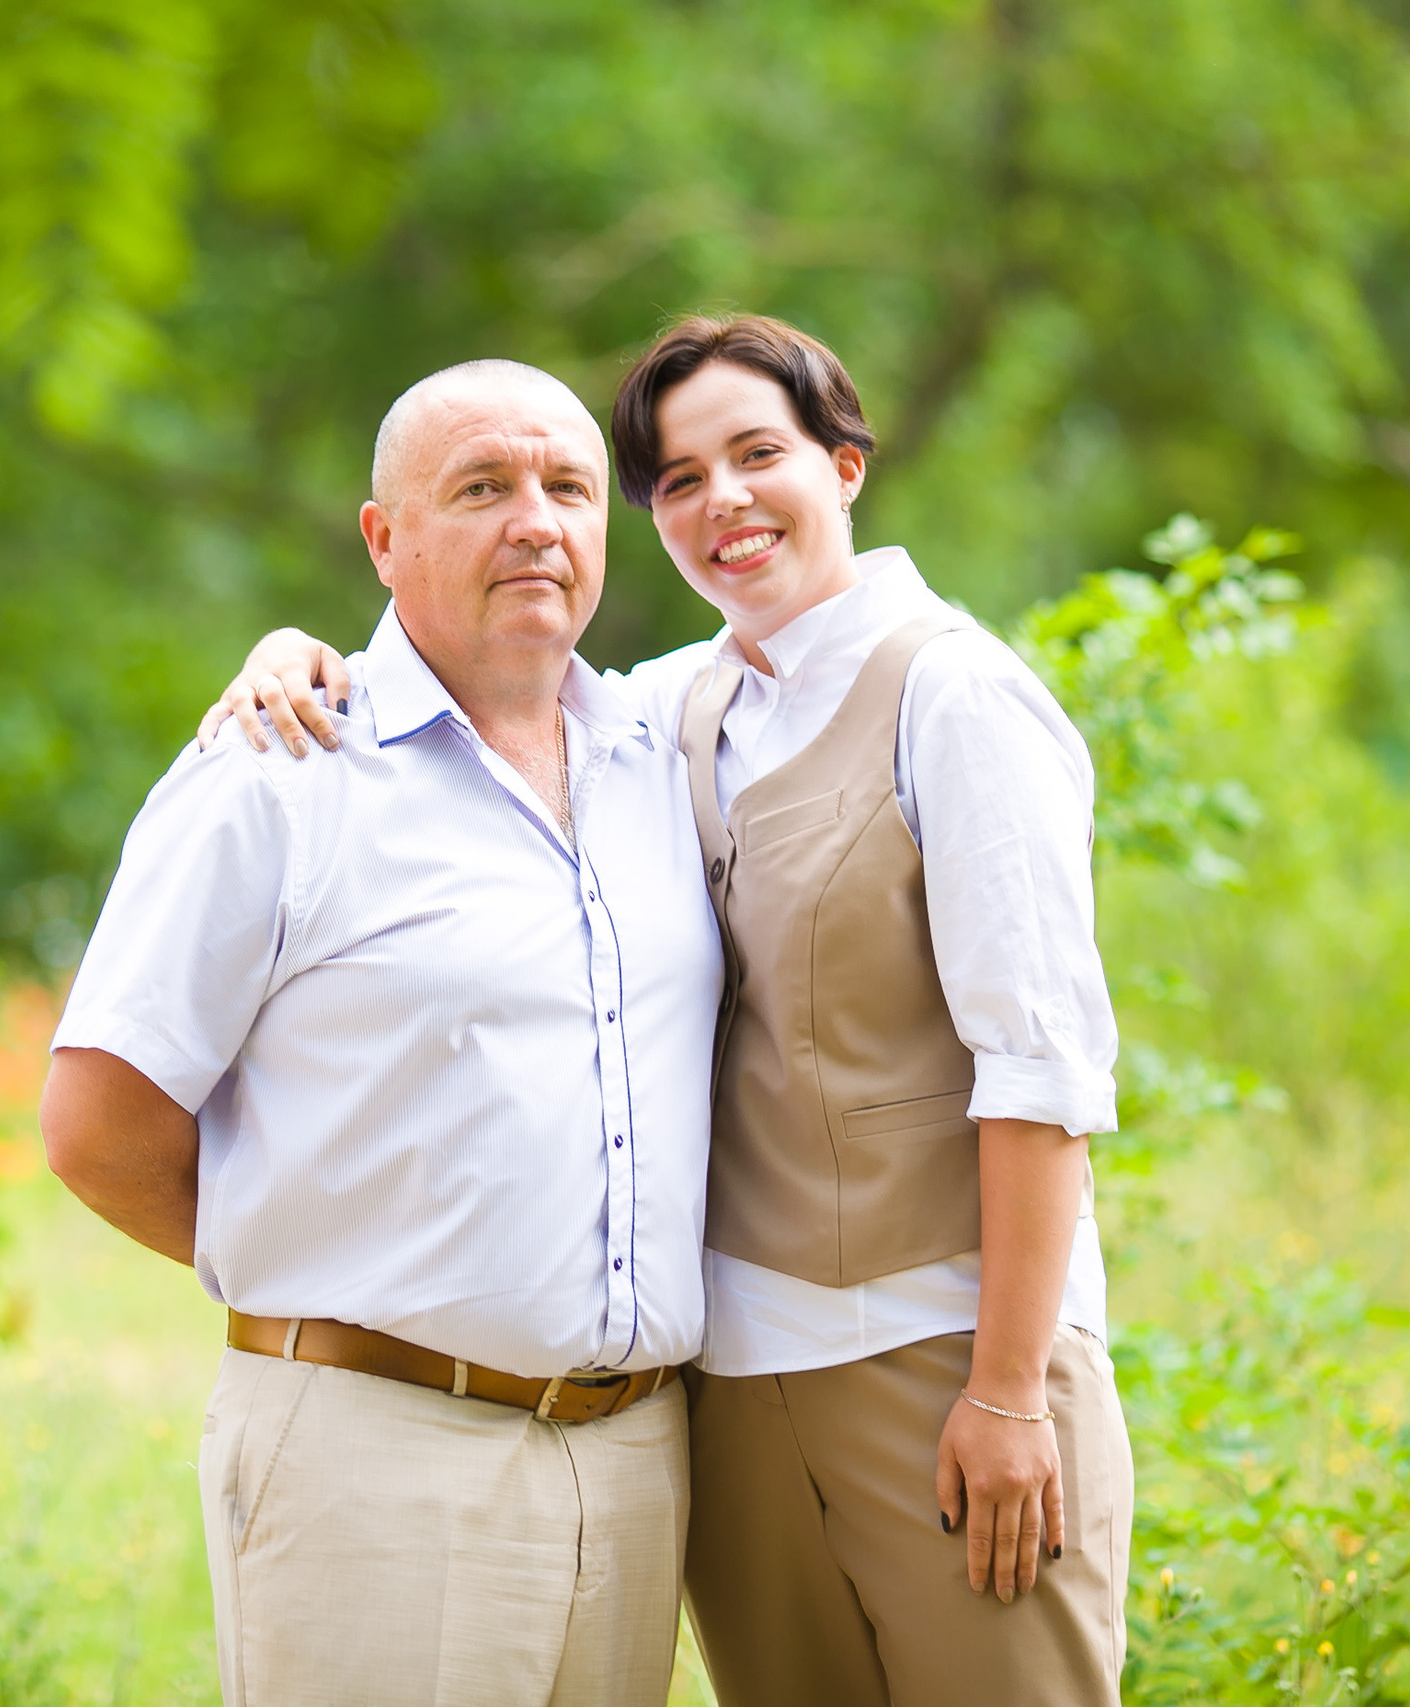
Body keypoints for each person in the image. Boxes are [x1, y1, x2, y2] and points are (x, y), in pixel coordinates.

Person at [204, 314, 1134, 1705]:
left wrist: (1009, 1390)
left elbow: (1042, 1073)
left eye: (759, 454)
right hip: (740, 1394)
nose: (724, 503)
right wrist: (296, 650)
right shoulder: (664, 713)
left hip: (946, 1364)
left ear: (848, 464)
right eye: (678, 482)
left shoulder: (958, 698)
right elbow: (460, 684)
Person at [41, 358, 724, 1707]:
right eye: (482, 488)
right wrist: (343, 1271)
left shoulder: (670, 747)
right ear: (384, 538)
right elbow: (95, 1125)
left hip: (635, 1460)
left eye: (568, 488)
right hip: (377, 1453)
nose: (535, 520)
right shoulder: (282, 772)